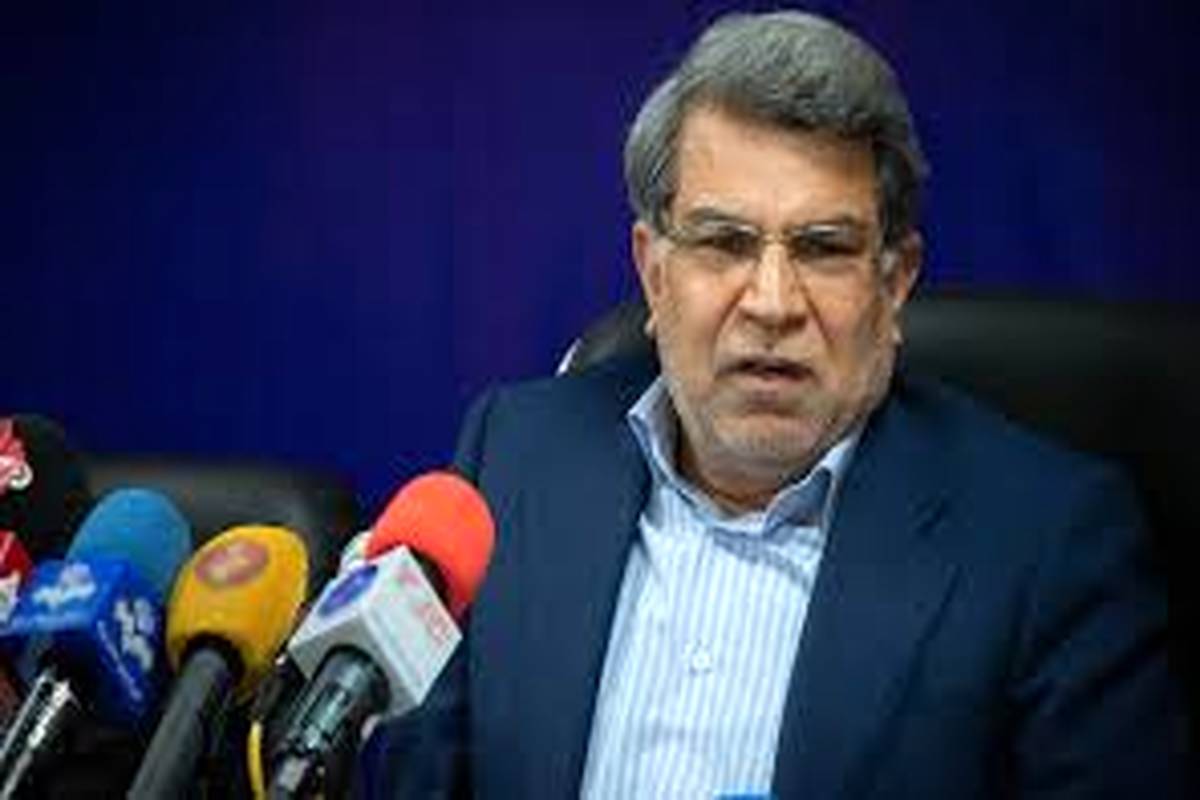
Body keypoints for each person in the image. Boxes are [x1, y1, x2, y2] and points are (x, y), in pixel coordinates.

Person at [359, 10, 1189, 798]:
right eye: (724, 242)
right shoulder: (513, 458)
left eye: (823, 250)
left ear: (894, 285)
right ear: (654, 273)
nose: (771, 303)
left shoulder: (1048, 542)